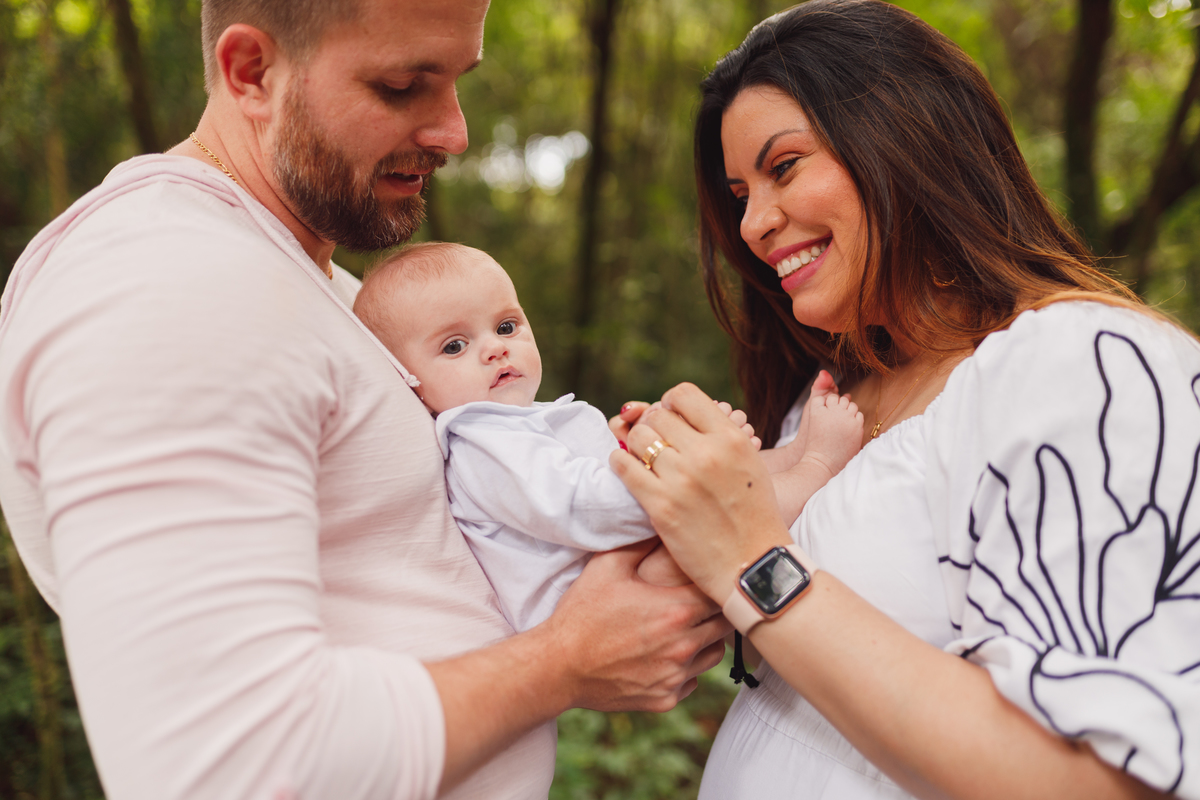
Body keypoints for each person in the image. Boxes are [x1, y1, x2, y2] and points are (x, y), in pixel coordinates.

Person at [0, 2, 733, 799]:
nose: (454, 131)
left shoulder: (315, 290)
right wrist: (566, 661)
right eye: (401, 85)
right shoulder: (169, 284)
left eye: (456, 81)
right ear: (253, 73)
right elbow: (225, 767)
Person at [609, 1, 1199, 798]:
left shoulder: (1087, 363)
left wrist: (749, 557)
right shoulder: (829, 401)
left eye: (784, 167)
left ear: (907, 137)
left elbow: (1104, 779)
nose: (752, 223)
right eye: (740, 192)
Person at [351, 241, 864, 632]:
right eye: (455, 345)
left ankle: (788, 454)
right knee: (727, 515)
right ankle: (817, 464)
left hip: (610, 554)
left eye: (506, 327)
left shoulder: (525, 421)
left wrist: (665, 452)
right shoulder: (480, 441)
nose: (493, 350)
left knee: (716, 483)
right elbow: (574, 504)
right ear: (409, 383)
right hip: (590, 599)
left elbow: (595, 481)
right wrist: (678, 475)